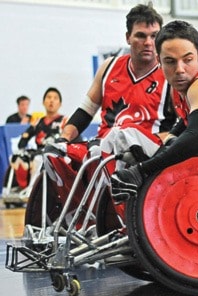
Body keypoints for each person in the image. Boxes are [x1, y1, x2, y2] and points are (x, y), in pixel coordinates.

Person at [42, 3, 177, 221]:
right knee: (54, 152)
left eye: (154, 36)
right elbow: (86, 110)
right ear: (127, 38)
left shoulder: (170, 73)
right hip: (104, 145)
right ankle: (75, 214)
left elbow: (180, 126)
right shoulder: (109, 67)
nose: (149, 43)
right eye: (141, 36)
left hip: (144, 150)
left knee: (108, 143)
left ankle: (116, 220)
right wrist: (63, 137)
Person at [110, 20, 198, 202]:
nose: (180, 70)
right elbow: (185, 121)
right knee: (122, 141)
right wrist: (170, 138)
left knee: (126, 139)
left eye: (187, 60)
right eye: (170, 62)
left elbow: (197, 137)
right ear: (159, 62)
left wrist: (142, 170)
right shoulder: (181, 86)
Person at [7, 87, 66, 201]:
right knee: (18, 156)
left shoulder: (64, 121)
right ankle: (18, 188)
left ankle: (32, 191)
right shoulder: (38, 121)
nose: (51, 101)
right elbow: (23, 139)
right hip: (39, 151)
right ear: (44, 102)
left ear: (60, 103)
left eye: (55, 98)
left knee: (38, 159)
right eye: (48, 98)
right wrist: (22, 149)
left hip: (55, 154)